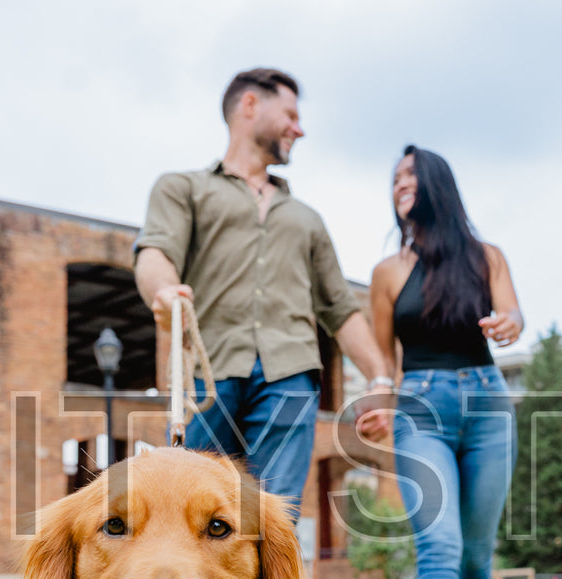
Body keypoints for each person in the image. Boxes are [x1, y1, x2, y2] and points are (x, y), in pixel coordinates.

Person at [133, 67, 392, 515]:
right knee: (194, 513)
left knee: (273, 519)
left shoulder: (306, 218)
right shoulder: (184, 188)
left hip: (290, 374)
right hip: (208, 374)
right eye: (290, 114)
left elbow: (340, 307)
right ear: (250, 105)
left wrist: (381, 379)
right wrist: (164, 292)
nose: (300, 128)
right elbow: (155, 252)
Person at [365, 145, 524, 579]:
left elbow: (511, 313)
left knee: (477, 552)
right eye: (395, 178)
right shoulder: (387, 273)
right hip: (420, 406)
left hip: (487, 404)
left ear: (436, 184)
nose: (401, 183)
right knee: (439, 542)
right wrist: (378, 400)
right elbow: (384, 359)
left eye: (410, 174)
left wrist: (510, 323)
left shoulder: (487, 257)